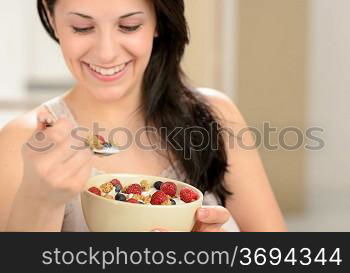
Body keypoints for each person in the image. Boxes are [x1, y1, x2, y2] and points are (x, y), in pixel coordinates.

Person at [0, 0, 287, 232]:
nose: (106, 53)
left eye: (129, 26)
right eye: (82, 27)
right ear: (52, 21)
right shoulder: (23, 141)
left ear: (157, 22)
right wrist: (41, 200)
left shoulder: (215, 115)